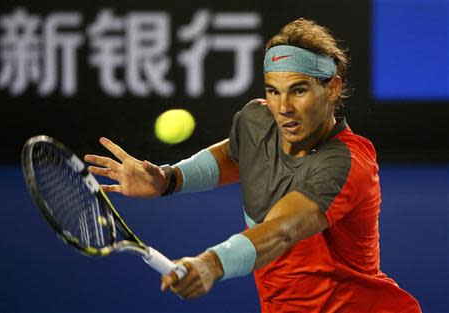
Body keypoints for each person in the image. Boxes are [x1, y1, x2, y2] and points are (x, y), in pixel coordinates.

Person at [84, 18, 421, 313]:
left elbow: (283, 230)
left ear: (332, 89)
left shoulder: (347, 161)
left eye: (298, 90)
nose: (283, 107)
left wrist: (211, 263)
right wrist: (169, 179)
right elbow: (236, 154)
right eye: (273, 91)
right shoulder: (258, 120)